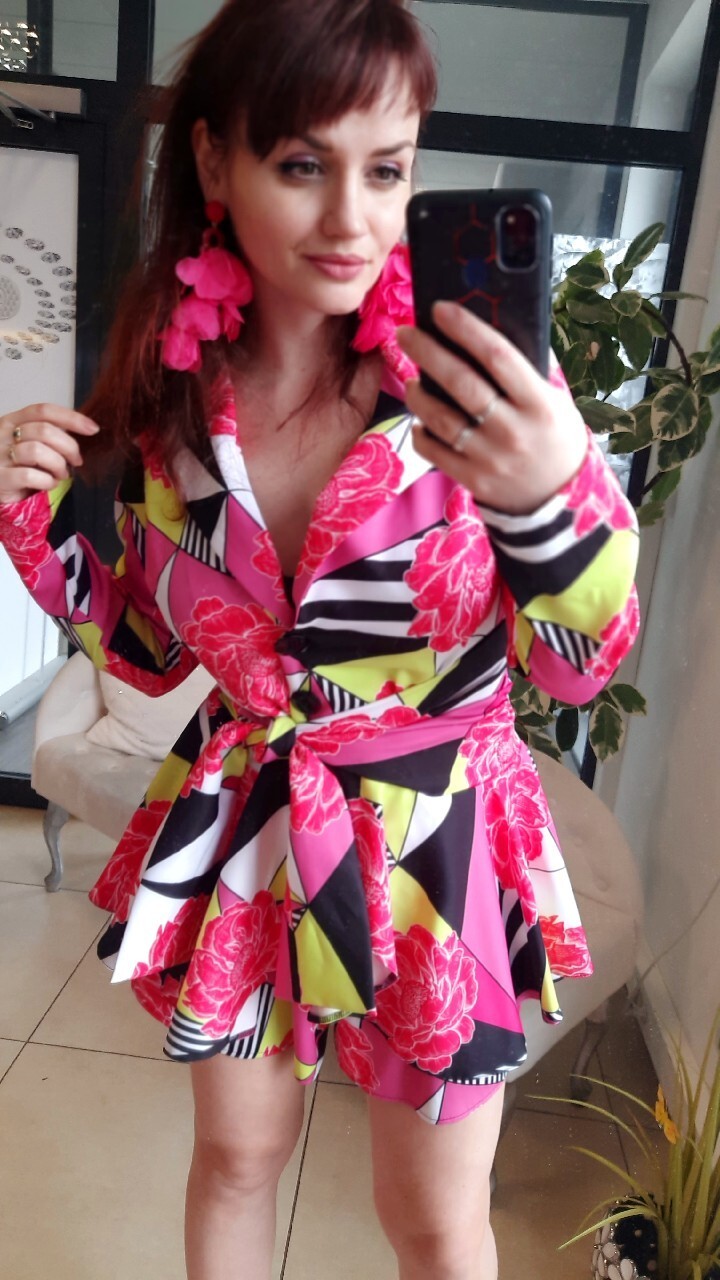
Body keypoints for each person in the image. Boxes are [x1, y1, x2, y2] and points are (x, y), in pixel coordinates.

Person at [0, 2, 640, 1277]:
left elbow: (580, 667)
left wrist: (549, 498)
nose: (354, 217)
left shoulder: (475, 382)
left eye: (387, 168)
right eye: (303, 163)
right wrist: (38, 513)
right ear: (213, 161)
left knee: (432, 1217)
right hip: (252, 824)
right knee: (237, 1158)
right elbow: (151, 649)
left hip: (438, 841)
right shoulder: (172, 394)